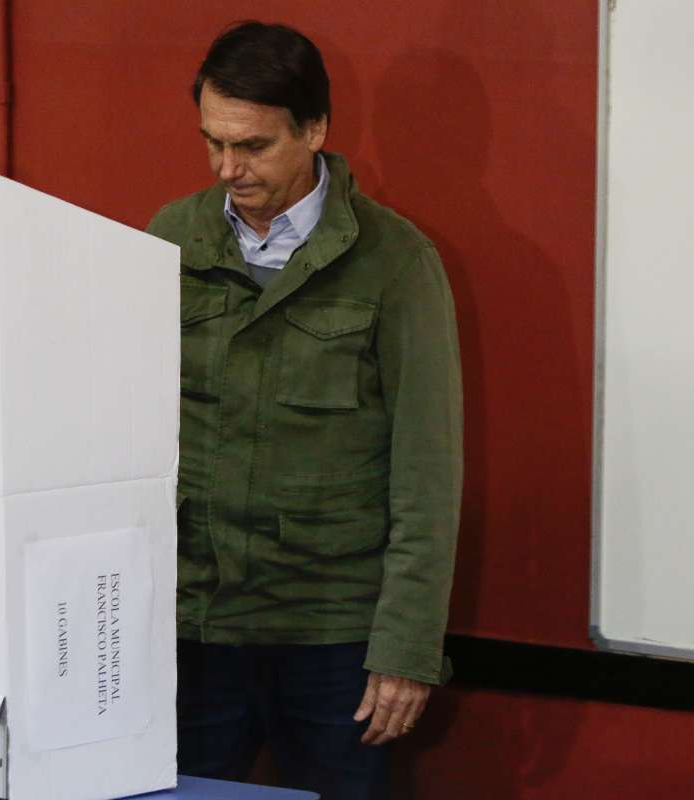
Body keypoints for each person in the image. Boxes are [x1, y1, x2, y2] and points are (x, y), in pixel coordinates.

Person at [147, 21, 463, 800]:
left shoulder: (395, 263)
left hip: (333, 639)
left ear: (315, 129)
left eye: (252, 146)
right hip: (193, 627)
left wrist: (406, 649)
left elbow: (427, 473)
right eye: (213, 142)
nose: (228, 168)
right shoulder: (168, 241)